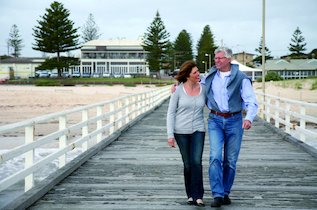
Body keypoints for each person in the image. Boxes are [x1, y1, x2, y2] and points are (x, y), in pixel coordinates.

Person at [201, 47, 258, 207]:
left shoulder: (241, 78)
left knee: (230, 160)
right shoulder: (210, 76)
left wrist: (248, 118)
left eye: (220, 58)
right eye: (215, 58)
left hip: (234, 121)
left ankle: (225, 192)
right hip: (215, 120)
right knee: (215, 157)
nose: (216, 61)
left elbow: (251, 100)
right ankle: (217, 194)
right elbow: (196, 86)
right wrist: (177, 88)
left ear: (229, 59)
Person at [166, 60, 206, 207]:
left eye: (198, 71)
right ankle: (190, 194)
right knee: (188, 164)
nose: (198, 74)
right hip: (180, 131)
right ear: (188, 75)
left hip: (198, 130)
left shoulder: (204, 88)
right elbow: (171, 113)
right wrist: (170, 135)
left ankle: (199, 196)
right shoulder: (178, 91)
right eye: (195, 72)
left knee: (197, 162)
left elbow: (213, 103)